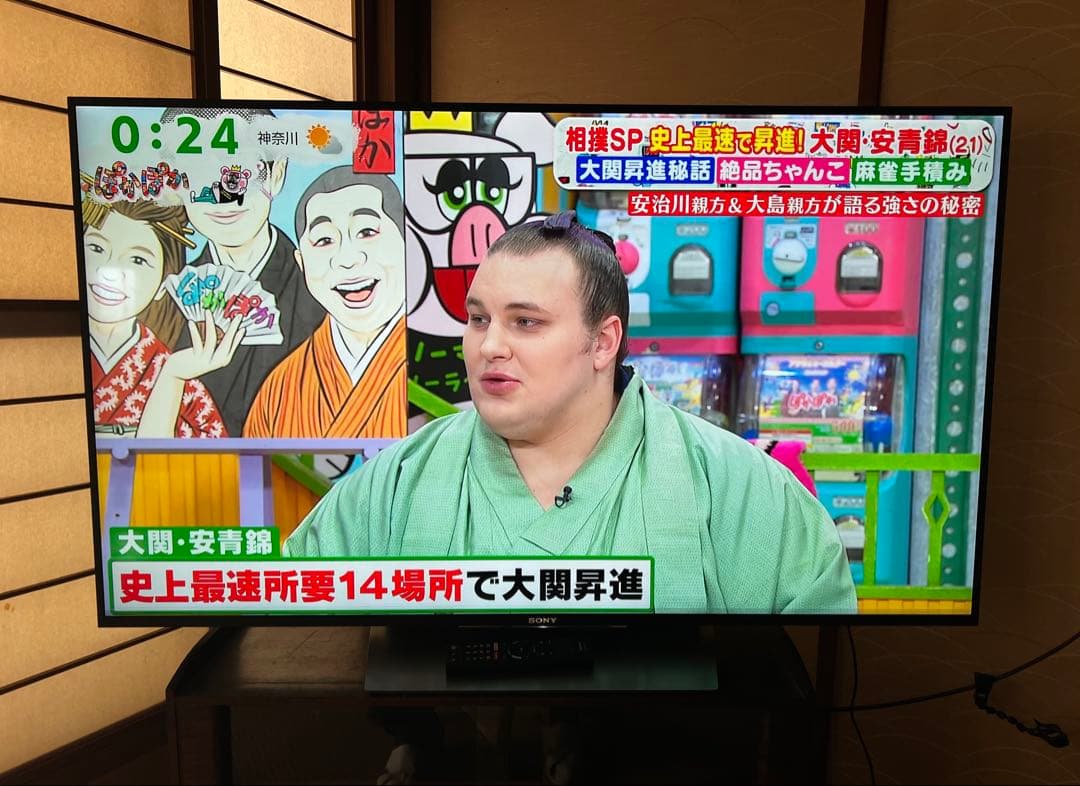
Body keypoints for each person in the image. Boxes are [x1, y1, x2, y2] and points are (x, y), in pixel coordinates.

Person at [284, 210, 856, 616]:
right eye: (479, 319)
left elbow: (807, 686)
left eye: (526, 322)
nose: (489, 346)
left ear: (603, 342)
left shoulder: (741, 489)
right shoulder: (396, 483)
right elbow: (298, 633)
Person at [161, 107, 324, 437]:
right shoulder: (164, 300)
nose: (223, 195)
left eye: (241, 173)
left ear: (276, 174)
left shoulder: (323, 288)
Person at [243, 167, 407, 438]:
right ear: (301, 262)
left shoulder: (434, 358)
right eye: (324, 240)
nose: (347, 259)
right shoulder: (280, 388)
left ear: (406, 240)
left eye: (367, 232)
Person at [83, 197, 242, 438]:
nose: (110, 273)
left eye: (138, 260)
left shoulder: (179, 377)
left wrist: (171, 377)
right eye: (96, 248)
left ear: (164, 284)